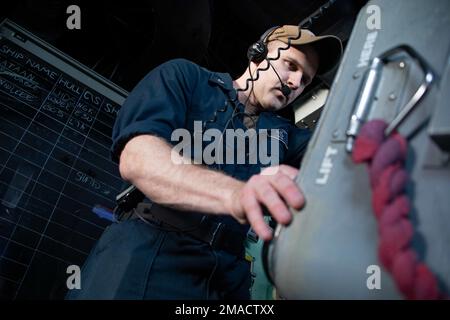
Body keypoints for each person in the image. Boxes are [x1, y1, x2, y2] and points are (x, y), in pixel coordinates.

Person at [67, 25, 342, 300]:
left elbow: (345, 164)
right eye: (290, 65)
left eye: (305, 80)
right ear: (258, 55)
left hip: (227, 277)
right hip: (147, 254)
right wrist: (235, 194)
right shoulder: (186, 78)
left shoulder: (287, 136)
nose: (295, 83)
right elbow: (139, 159)